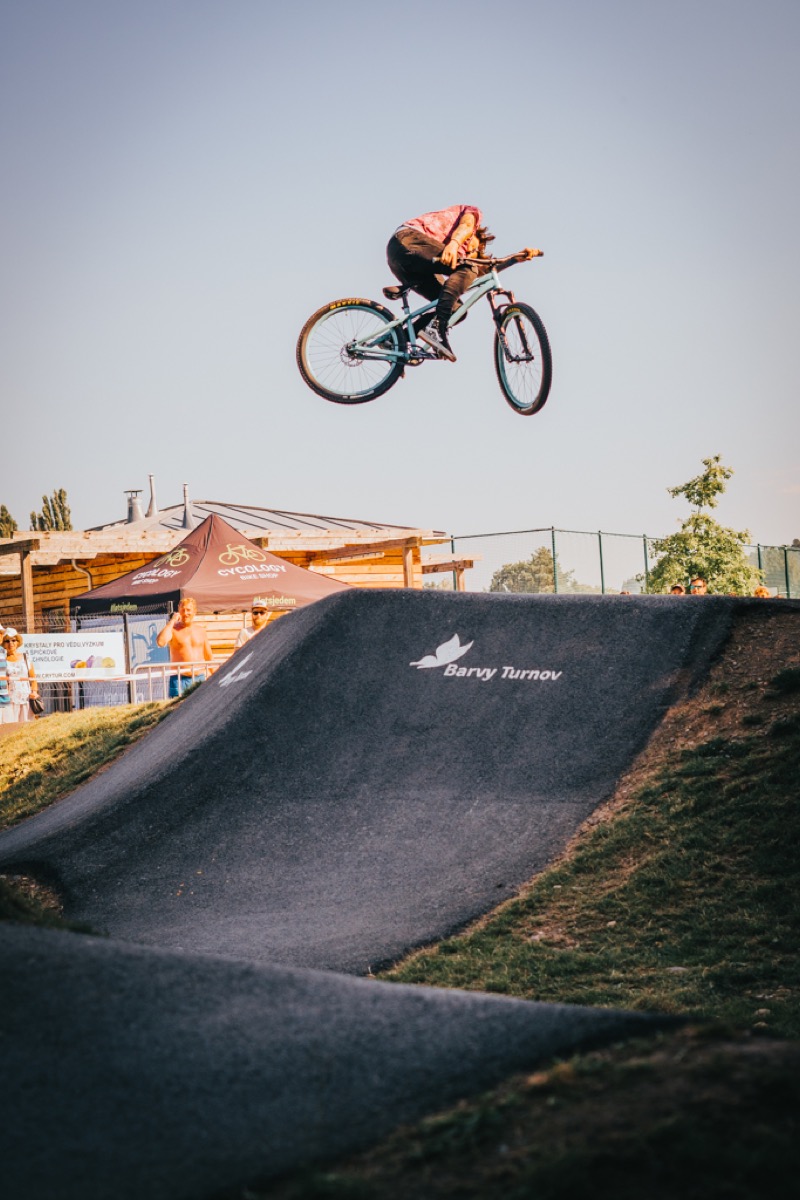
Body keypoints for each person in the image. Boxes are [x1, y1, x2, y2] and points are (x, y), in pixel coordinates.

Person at [386, 205, 542, 362]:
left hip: (407, 264)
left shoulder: (453, 252)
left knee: (456, 310)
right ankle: (437, 327)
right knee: (468, 267)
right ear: (476, 234)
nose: (467, 251)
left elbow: (482, 271)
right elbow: (466, 225)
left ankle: (396, 341)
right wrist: (454, 244)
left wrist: (514, 260)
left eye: (470, 253)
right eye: (470, 248)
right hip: (407, 239)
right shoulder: (471, 213)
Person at [156, 597, 214, 698]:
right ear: (178, 611)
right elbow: (160, 642)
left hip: (199, 677)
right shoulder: (173, 630)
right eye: (182, 610)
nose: (185, 613)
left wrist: (217, 676)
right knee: (177, 707)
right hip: (179, 679)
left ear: (194, 611)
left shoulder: (200, 631)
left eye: (188, 610)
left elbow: (208, 656)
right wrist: (172, 621)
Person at [0, 628, 40, 723]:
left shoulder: (26, 657)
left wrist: (34, 692)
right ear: (4, 644)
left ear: (17, 642)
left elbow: (33, 678)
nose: (11, 643)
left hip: (26, 699)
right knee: (11, 727)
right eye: (7, 641)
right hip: (10, 700)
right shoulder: (2, 660)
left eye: (13, 640)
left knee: (27, 727)